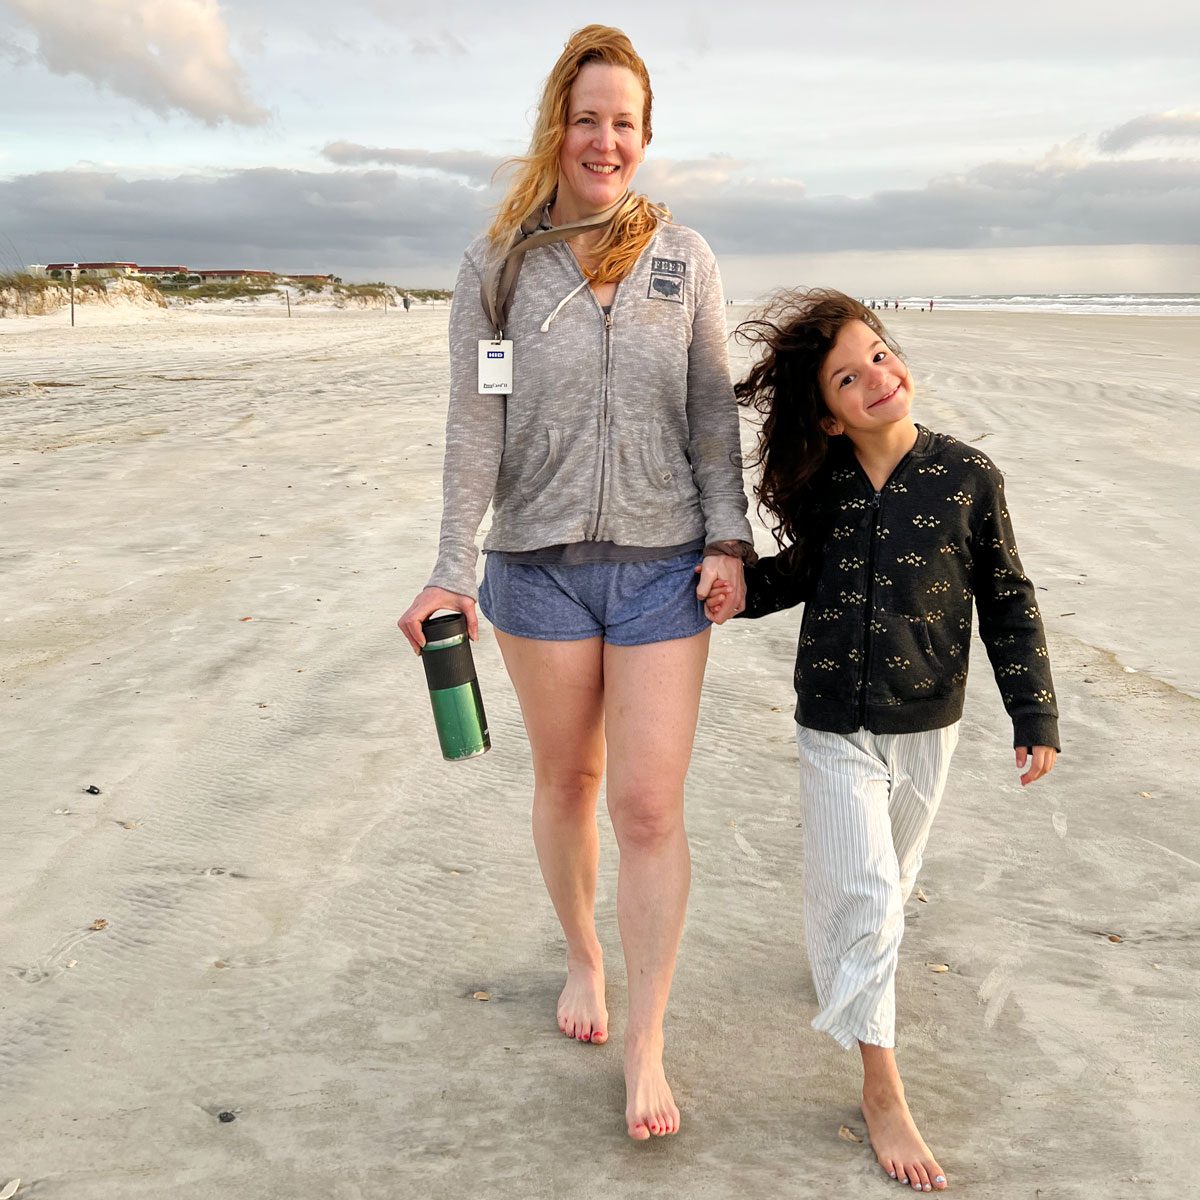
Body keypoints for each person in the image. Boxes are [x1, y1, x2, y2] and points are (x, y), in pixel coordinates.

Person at [397, 25, 753, 1141]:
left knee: (647, 803)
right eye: (589, 117)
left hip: (660, 571)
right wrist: (451, 568)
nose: (607, 141)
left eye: (627, 124)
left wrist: (728, 540)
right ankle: (584, 959)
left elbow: (708, 412)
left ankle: (646, 1038)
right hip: (536, 571)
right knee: (567, 782)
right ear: (558, 122)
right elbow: (474, 424)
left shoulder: (682, 259)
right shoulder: (496, 266)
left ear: (647, 138)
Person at [705, 289, 1059, 1190]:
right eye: (849, 376)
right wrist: (739, 589)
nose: (878, 377)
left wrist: (1035, 714)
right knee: (866, 896)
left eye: (881, 354)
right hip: (831, 722)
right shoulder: (823, 490)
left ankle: (840, 963)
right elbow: (800, 575)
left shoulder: (967, 474)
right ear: (826, 414)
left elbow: (1007, 598)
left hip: (926, 722)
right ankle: (882, 1090)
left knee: (888, 890)